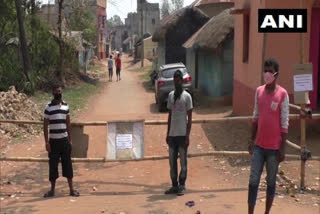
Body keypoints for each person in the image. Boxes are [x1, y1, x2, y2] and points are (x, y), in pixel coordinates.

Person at [248, 58, 289, 214]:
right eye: (265, 70)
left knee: (271, 182)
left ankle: (266, 213)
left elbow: (284, 123)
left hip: (274, 149)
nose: (267, 74)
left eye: (270, 71)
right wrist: (251, 140)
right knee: (253, 182)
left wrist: (282, 149)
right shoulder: (259, 91)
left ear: (276, 74)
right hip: (259, 146)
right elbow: (255, 117)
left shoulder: (283, 94)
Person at [43, 83, 80, 198]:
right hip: (53, 143)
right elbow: (45, 126)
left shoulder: (66, 106)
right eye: (56, 91)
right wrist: (46, 142)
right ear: (52, 93)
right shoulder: (48, 107)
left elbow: (68, 125)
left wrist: (70, 140)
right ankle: (52, 191)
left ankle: (71, 190)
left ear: (61, 92)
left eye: (59, 91)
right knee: (52, 167)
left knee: (68, 166)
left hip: (64, 141)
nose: (58, 93)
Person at [165, 70, 193, 196]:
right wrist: (167, 133)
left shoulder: (187, 96)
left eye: (178, 79)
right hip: (172, 135)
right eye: (175, 79)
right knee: (172, 161)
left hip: (182, 135)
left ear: (181, 81)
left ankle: (182, 185)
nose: (177, 81)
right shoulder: (171, 95)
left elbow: (190, 118)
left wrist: (188, 135)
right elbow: (170, 115)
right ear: (174, 81)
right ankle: (174, 185)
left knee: (183, 161)